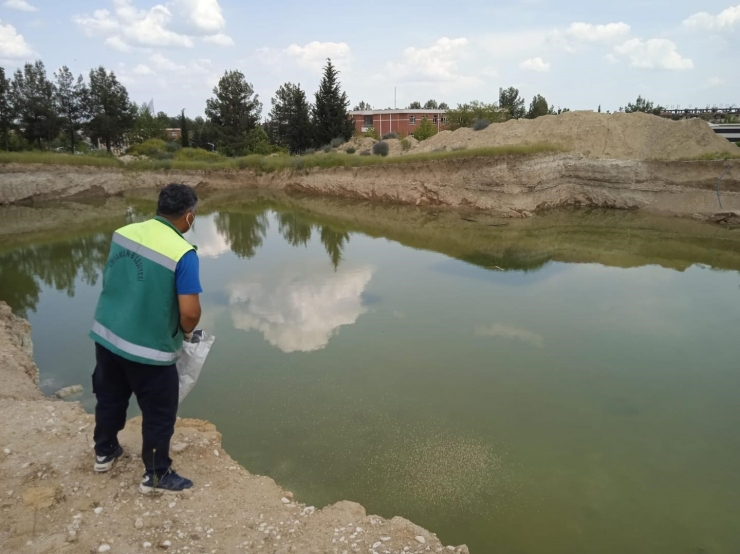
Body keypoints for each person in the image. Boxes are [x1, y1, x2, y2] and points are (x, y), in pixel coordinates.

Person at [89, 183, 202, 494]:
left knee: (110, 397)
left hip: (108, 336)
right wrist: (187, 334)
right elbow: (190, 313)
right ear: (188, 216)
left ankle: (104, 451)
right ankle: (156, 475)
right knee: (159, 413)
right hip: (149, 350)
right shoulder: (183, 252)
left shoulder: (123, 233)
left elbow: (119, 279)